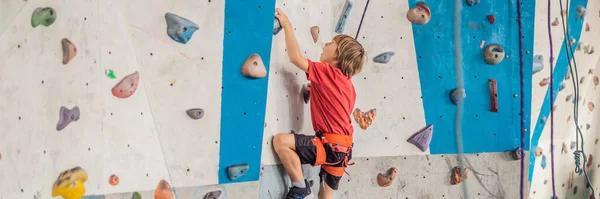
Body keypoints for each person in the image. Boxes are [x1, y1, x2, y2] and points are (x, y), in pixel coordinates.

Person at [272, 8, 367, 199]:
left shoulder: (327, 71)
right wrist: (312, 89)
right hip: (344, 150)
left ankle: (300, 188)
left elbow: (295, 58)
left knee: (280, 142)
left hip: (329, 145)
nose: (325, 44)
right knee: (326, 196)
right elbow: (334, 107)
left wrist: (287, 24)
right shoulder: (349, 86)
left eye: (331, 43)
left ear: (338, 56)